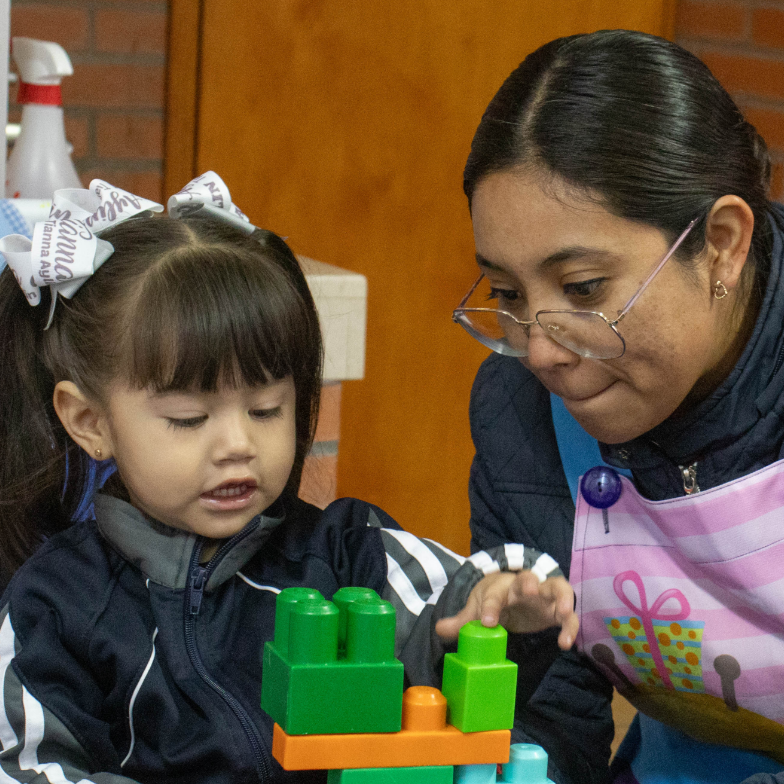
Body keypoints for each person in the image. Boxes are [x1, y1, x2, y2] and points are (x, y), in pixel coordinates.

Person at [0, 173, 576, 784]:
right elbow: (31, 768)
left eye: (265, 409)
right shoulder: (56, 606)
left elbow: (459, 601)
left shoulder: (347, 553)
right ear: (90, 422)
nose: (238, 445)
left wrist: (505, 601)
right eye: (189, 418)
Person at [452, 28, 784, 784]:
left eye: (583, 289)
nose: (541, 351)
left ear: (723, 244)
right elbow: (549, 707)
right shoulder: (523, 418)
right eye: (507, 294)